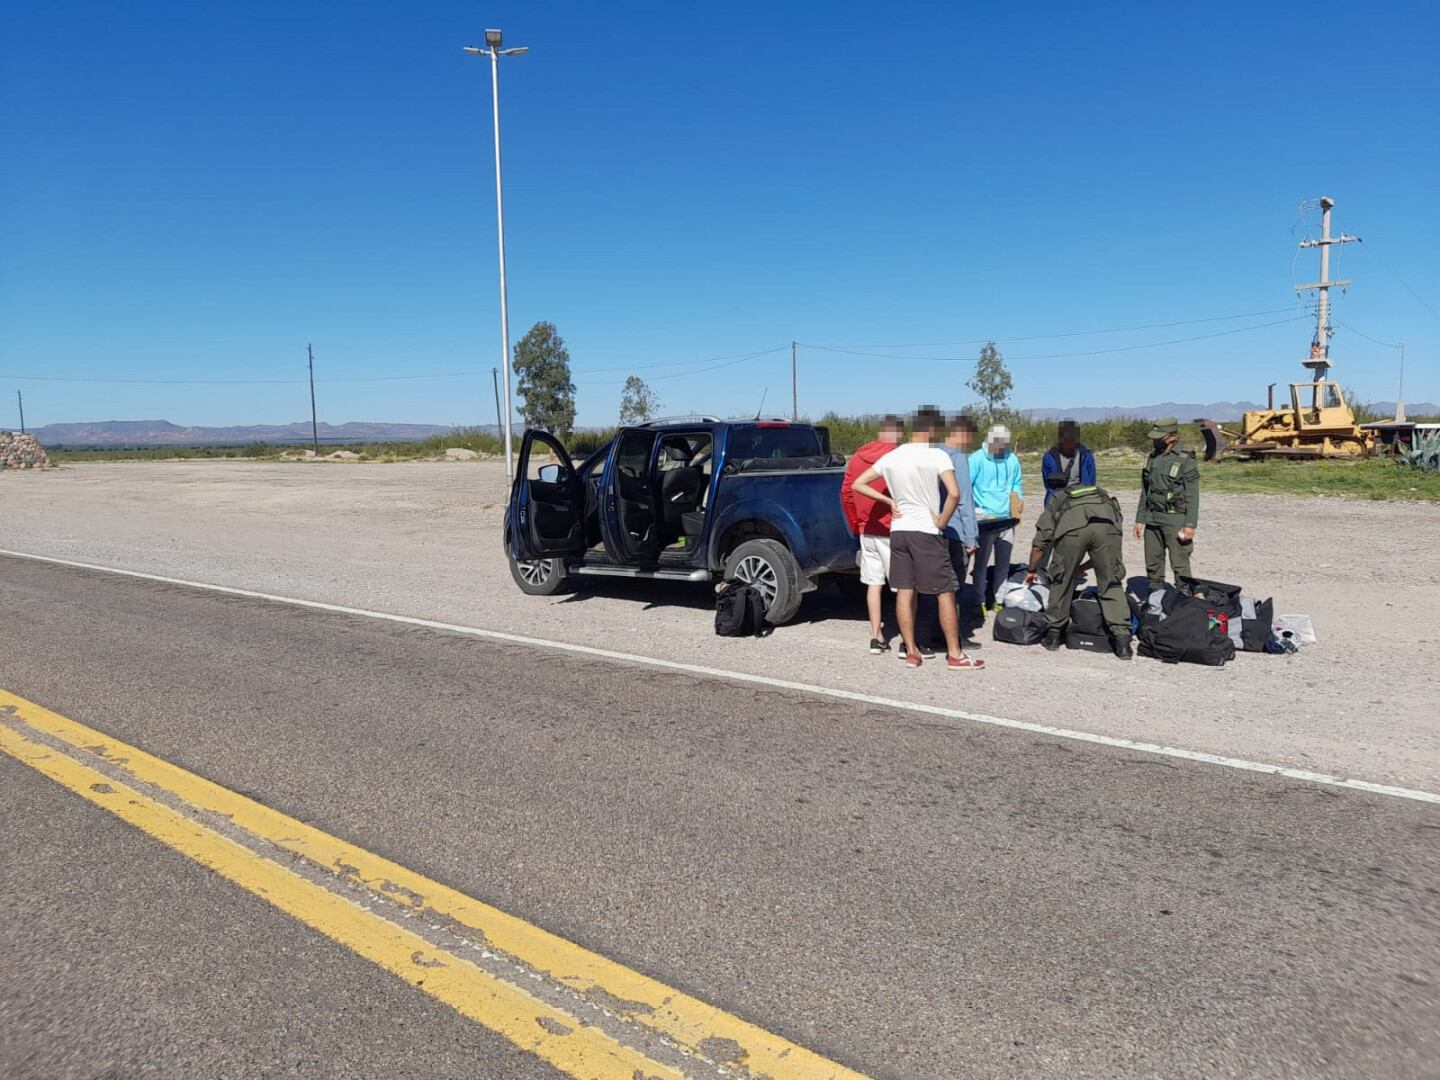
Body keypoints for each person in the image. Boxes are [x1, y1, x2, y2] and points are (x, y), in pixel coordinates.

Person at [852, 407, 984, 671]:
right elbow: (955, 493)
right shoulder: (936, 455)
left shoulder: (893, 456)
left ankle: (911, 651)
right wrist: (943, 519)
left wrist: (888, 500)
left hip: (899, 531)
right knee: (945, 591)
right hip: (927, 531)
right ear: (933, 429)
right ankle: (955, 654)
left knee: (905, 590)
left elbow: (859, 484)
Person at [1024, 484, 1134, 659]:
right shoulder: (1103, 496)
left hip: (1072, 530)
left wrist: (1031, 569)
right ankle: (1122, 642)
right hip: (1108, 527)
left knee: (1061, 579)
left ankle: (1053, 634)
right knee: (1111, 582)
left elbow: (1040, 543)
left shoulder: (1058, 499)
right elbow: (1104, 556)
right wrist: (1082, 568)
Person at [839, 415, 905, 653]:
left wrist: (856, 523)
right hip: (893, 528)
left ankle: (876, 637)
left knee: (873, 583)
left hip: (867, 529)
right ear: (898, 433)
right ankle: (906, 639)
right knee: (902, 587)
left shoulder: (857, 457)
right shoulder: (898, 456)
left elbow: (846, 492)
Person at [1133, 417, 1199, 589]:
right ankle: (1155, 601)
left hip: (1175, 519)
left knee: (1180, 565)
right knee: (1153, 565)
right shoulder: (1153, 457)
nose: (1155, 440)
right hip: (1153, 518)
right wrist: (1140, 519)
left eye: (1159, 437)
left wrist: (1190, 524)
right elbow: (1146, 490)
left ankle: (1184, 604)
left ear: (1172, 437)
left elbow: (1192, 494)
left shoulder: (1185, 459)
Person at [968, 424, 1024, 613]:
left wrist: (1019, 500)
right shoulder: (976, 459)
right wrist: (980, 513)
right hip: (985, 521)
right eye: (998, 445)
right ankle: (979, 600)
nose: (1001, 449)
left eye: (1004, 445)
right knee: (981, 563)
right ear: (990, 442)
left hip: (1007, 519)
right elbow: (967, 489)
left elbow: (1016, 483)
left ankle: (999, 599)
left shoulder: (1012, 459)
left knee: (1003, 563)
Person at [939, 414, 981, 650]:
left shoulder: (932, 453)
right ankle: (954, 637)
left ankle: (932, 633)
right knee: (954, 586)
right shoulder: (958, 458)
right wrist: (971, 537)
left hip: (933, 529)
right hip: (955, 531)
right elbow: (964, 500)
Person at [1041, 420, 1096, 506]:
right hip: (1057, 496)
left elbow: (1091, 480)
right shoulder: (1049, 457)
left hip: (1082, 495)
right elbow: (1047, 483)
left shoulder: (1086, 455)